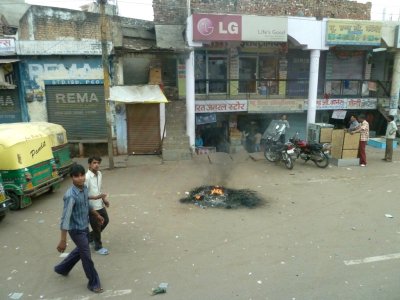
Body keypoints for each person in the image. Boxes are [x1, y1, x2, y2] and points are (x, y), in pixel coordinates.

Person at [54, 164, 104, 293]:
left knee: (81, 251)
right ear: (71, 178)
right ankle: (93, 283)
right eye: (76, 176)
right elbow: (65, 219)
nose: (80, 178)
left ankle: (62, 268)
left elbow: (86, 204)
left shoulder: (85, 188)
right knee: (86, 256)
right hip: (76, 231)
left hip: (84, 226)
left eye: (82, 175)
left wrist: (97, 215)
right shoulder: (71, 196)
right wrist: (63, 240)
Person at [86, 157, 110, 255]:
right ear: (89, 164)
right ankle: (98, 247)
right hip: (92, 207)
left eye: (98, 163)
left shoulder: (99, 174)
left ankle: (90, 237)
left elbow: (99, 189)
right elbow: (84, 195)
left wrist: (104, 200)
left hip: (100, 204)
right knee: (96, 227)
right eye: (94, 163)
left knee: (106, 220)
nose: (96, 165)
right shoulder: (86, 177)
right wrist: (96, 197)